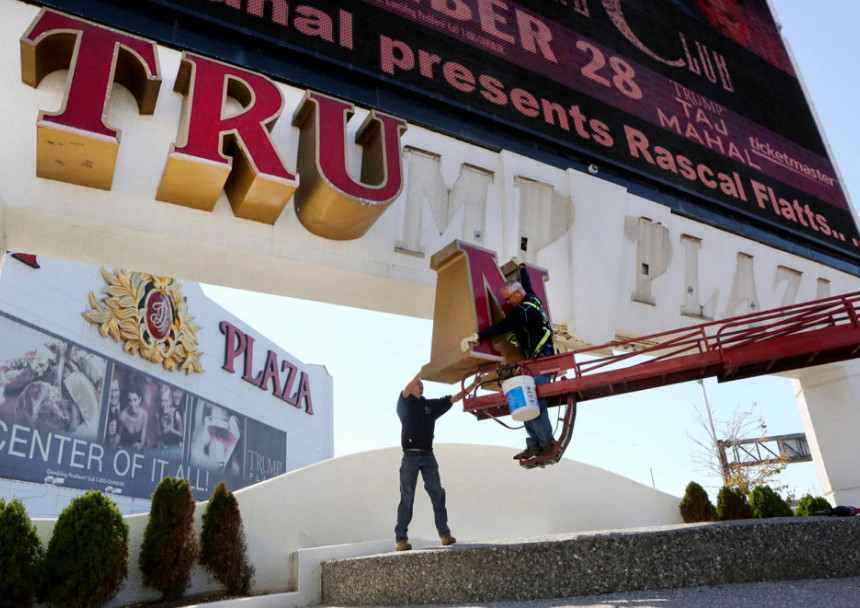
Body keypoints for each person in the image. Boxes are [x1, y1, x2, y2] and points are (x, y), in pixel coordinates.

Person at [461, 258, 555, 460]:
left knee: (534, 401)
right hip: (538, 361)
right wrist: (522, 268)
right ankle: (534, 444)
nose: (508, 303)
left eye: (508, 299)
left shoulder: (523, 311)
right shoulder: (532, 298)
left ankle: (546, 442)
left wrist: (478, 336)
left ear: (517, 294)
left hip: (543, 361)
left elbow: (502, 327)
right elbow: (527, 284)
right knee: (526, 401)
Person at [395, 373, 477, 552]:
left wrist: (473, 385)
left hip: (428, 455)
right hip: (410, 456)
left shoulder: (430, 406)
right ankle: (401, 539)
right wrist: (420, 372)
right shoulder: (404, 404)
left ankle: (445, 534)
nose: (420, 385)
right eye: (417, 383)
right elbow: (406, 388)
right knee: (407, 496)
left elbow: (454, 398)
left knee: (437, 493)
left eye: (422, 383)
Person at [118, 382, 148, 450]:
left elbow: (143, 442)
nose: (132, 404)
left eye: (135, 400)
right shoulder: (123, 416)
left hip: (140, 449)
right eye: (130, 400)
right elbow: (118, 435)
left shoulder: (144, 415)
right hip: (126, 448)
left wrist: (140, 446)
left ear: (140, 399)